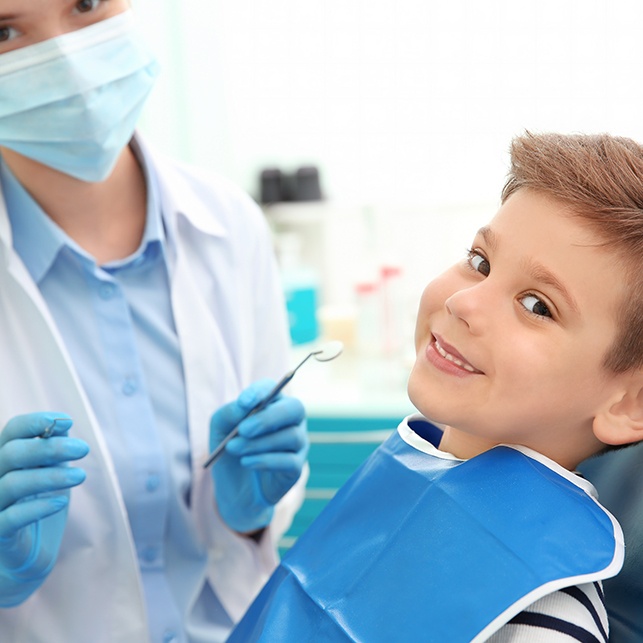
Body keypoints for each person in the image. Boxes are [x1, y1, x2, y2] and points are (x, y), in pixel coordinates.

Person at [228, 131, 643, 642]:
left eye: (536, 305)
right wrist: (237, 521)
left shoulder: (542, 618)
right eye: (480, 263)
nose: (465, 303)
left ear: (629, 403)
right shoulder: (404, 475)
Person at [0, 2, 309, 642]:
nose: (68, 61)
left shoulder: (231, 226)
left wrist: (250, 513)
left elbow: (263, 515)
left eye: (85, 3)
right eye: (4, 31)